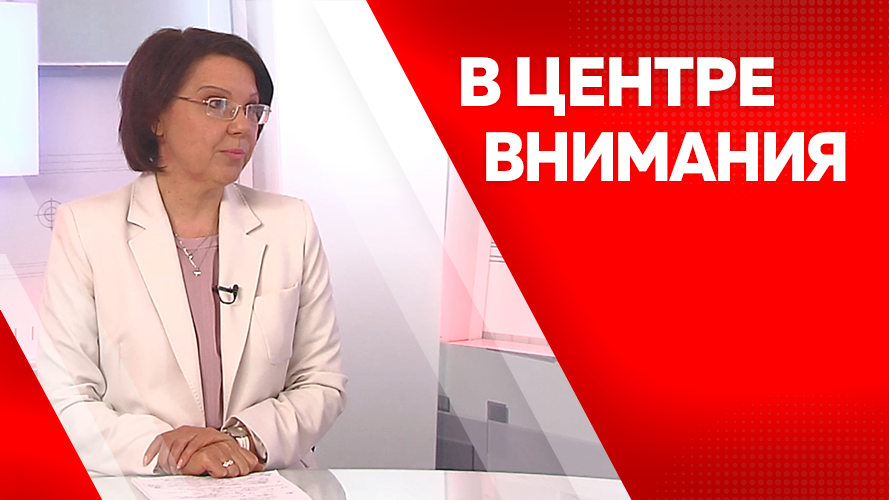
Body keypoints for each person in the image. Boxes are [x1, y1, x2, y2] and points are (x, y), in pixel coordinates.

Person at [36, 27, 347, 478]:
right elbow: (65, 400)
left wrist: (241, 440)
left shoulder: (290, 224)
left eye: (253, 109)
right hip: (148, 483)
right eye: (216, 104)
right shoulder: (87, 229)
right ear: (155, 117)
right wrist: (169, 449)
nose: (242, 126)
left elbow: (321, 382)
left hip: (262, 479)